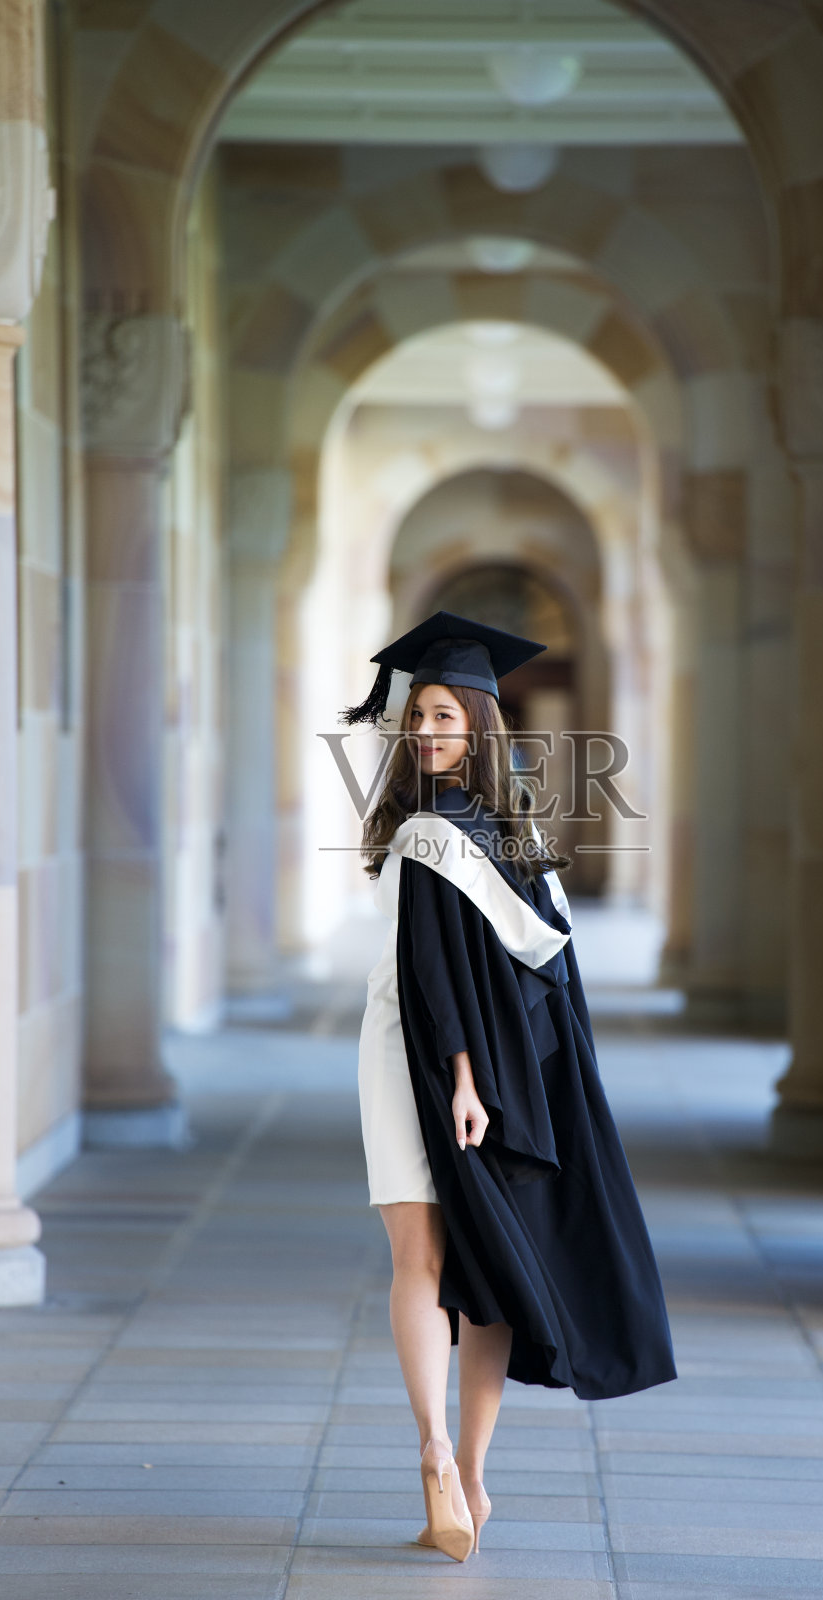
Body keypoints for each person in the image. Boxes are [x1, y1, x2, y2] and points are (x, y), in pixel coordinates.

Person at [344, 610, 676, 1562]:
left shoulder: (514, 833)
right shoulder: (423, 833)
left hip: (485, 1069)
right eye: (418, 719)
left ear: (481, 724)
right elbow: (432, 971)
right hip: (413, 1055)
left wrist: (515, 1078)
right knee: (422, 1257)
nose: (427, 734)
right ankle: (433, 1453)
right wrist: (464, 1077)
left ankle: (475, 1473)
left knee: (489, 1270)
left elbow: (541, 970)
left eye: (445, 717)